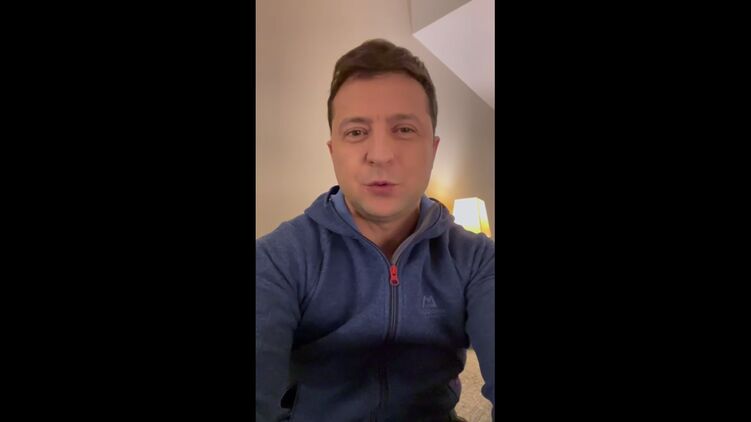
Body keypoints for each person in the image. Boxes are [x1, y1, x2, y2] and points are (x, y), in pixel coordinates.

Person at [256, 39, 494, 421]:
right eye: (356, 132)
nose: (380, 154)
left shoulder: (478, 260)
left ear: (433, 150)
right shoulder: (277, 259)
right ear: (333, 152)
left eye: (404, 129)